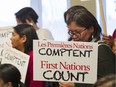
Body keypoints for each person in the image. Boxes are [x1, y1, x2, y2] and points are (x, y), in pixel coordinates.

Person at [59, 5, 115, 87]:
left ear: (91, 29)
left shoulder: (101, 49)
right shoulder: (75, 49)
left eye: (77, 32)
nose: (73, 37)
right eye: (71, 32)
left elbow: (109, 83)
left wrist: (76, 85)